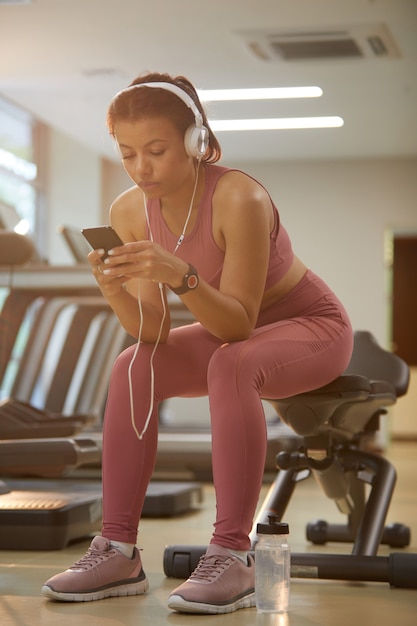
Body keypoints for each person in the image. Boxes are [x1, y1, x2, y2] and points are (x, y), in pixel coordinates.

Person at [41, 72, 353, 614]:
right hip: (234, 332)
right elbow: (152, 331)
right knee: (133, 365)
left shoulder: (239, 195)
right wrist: (112, 287)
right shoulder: (129, 211)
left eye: (157, 151)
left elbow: (236, 326)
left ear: (195, 141)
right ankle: (118, 550)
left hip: (311, 326)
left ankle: (233, 555)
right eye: (128, 153)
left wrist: (181, 275)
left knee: (232, 362)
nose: (142, 168)